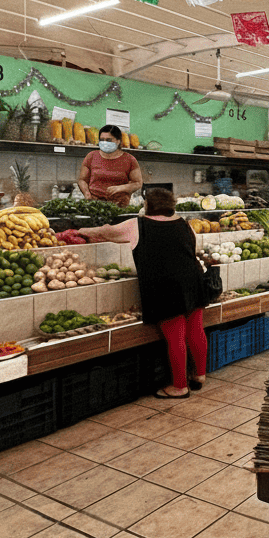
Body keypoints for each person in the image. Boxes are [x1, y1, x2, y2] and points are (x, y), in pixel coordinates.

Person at [79, 188, 208, 398]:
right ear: (171, 205)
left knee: (175, 336)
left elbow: (106, 231)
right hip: (194, 280)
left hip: (166, 286)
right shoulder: (185, 224)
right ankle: (200, 375)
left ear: (147, 205)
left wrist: (82, 231)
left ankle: (179, 386)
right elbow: (191, 251)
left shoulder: (137, 224)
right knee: (195, 329)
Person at [78, 125, 142, 202]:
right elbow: (82, 180)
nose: (105, 143)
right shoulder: (91, 156)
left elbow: (138, 183)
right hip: (95, 204)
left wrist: (120, 188)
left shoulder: (130, 159)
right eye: (102, 140)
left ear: (118, 141)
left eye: (109, 140)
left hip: (119, 205)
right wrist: (86, 193)